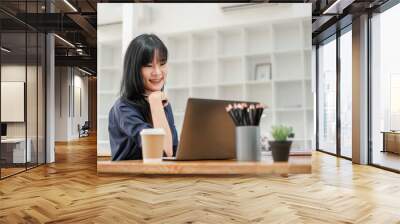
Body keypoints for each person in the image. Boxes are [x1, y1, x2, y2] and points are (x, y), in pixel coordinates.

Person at [108, 34, 178, 161]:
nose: (157, 72)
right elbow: (163, 152)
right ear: (134, 69)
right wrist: (155, 103)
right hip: (130, 179)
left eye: (162, 63)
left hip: (160, 177)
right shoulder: (123, 107)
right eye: (149, 65)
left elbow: (173, 149)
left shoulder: (163, 104)